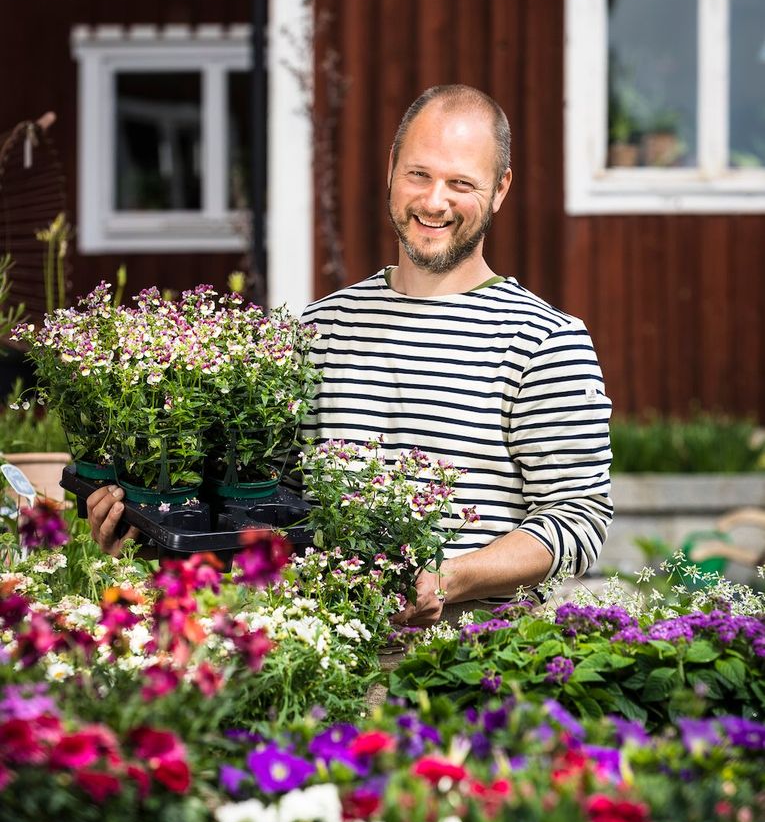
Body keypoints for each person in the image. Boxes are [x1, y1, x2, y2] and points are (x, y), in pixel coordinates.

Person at [88, 84, 612, 627]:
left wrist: (448, 578)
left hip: (473, 675)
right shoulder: (317, 330)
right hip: (316, 660)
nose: (435, 201)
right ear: (390, 168)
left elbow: (579, 522)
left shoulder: (545, 340)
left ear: (500, 189)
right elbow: (261, 510)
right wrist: (151, 531)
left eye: (461, 183)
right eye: (419, 174)